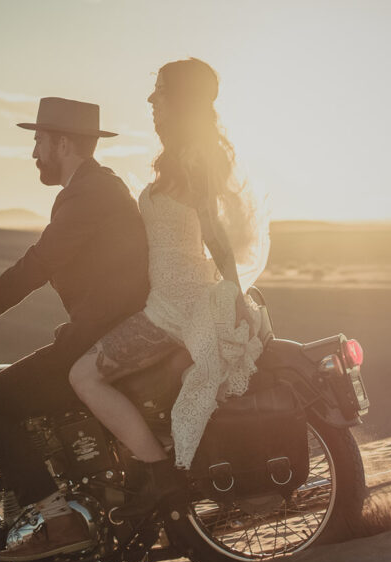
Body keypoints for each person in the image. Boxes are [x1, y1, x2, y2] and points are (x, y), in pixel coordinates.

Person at [0, 96, 149, 562]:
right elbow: (57, 264)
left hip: (103, 331)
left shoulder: (88, 193)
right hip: (100, 325)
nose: (34, 152)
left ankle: (56, 519)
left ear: (62, 143)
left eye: (39, 141)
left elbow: (36, 267)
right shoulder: (92, 189)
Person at [68, 58, 267, 513]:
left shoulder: (193, 156)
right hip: (171, 300)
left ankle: (159, 476)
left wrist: (232, 293)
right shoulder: (180, 156)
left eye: (159, 92)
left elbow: (214, 229)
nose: (151, 100)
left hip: (175, 310)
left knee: (83, 375)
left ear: (179, 100)